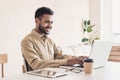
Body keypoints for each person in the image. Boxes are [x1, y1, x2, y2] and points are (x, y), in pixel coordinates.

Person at [21, 7, 87, 71]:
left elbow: (61, 56)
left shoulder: (49, 41)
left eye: (51, 22)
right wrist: (67, 62)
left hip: (52, 76)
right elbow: (36, 64)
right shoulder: (27, 41)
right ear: (37, 21)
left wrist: (77, 59)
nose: (50, 26)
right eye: (47, 22)